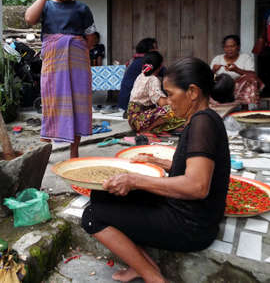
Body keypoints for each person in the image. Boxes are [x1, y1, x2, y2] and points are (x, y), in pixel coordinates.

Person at [82, 57, 232, 283]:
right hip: (190, 214)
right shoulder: (202, 119)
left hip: (191, 225)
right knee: (102, 195)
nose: (168, 102)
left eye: (171, 94)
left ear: (192, 92)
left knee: (92, 216)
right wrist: (159, 163)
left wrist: (135, 180)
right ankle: (143, 264)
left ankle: (153, 277)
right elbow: (195, 167)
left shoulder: (203, 122)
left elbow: (197, 186)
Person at [25, 0, 97, 158]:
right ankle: (42, 155)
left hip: (78, 64)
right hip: (53, 63)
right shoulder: (47, 6)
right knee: (51, 102)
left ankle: (74, 153)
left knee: (77, 105)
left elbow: (91, 38)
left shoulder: (82, 9)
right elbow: (29, 18)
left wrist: (74, 48)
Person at [127, 51, 184, 133]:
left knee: (172, 112)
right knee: (169, 110)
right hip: (140, 120)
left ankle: (152, 128)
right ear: (160, 66)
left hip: (133, 120)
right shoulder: (152, 79)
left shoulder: (141, 76)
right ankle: (147, 130)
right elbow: (162, 103)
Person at [210, 35, 262, 107]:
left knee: (251, 79)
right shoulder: (217, 59)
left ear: (238, 47)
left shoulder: (245, 58)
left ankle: (244, 106)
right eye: (226, 47)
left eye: (232, 46)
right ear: (224, 48)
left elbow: (253, 75)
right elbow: (208, 77)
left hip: (239, 89)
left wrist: (237, 70)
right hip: (222, 89)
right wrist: (213, 70)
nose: (229, 49)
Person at [118, 38, 164, 111]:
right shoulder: (147, 62)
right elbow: (165, 73)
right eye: (155, 48)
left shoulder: (136, 60)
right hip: (130, 106)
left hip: (126, 104)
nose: (157, 50)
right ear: (149, 50)